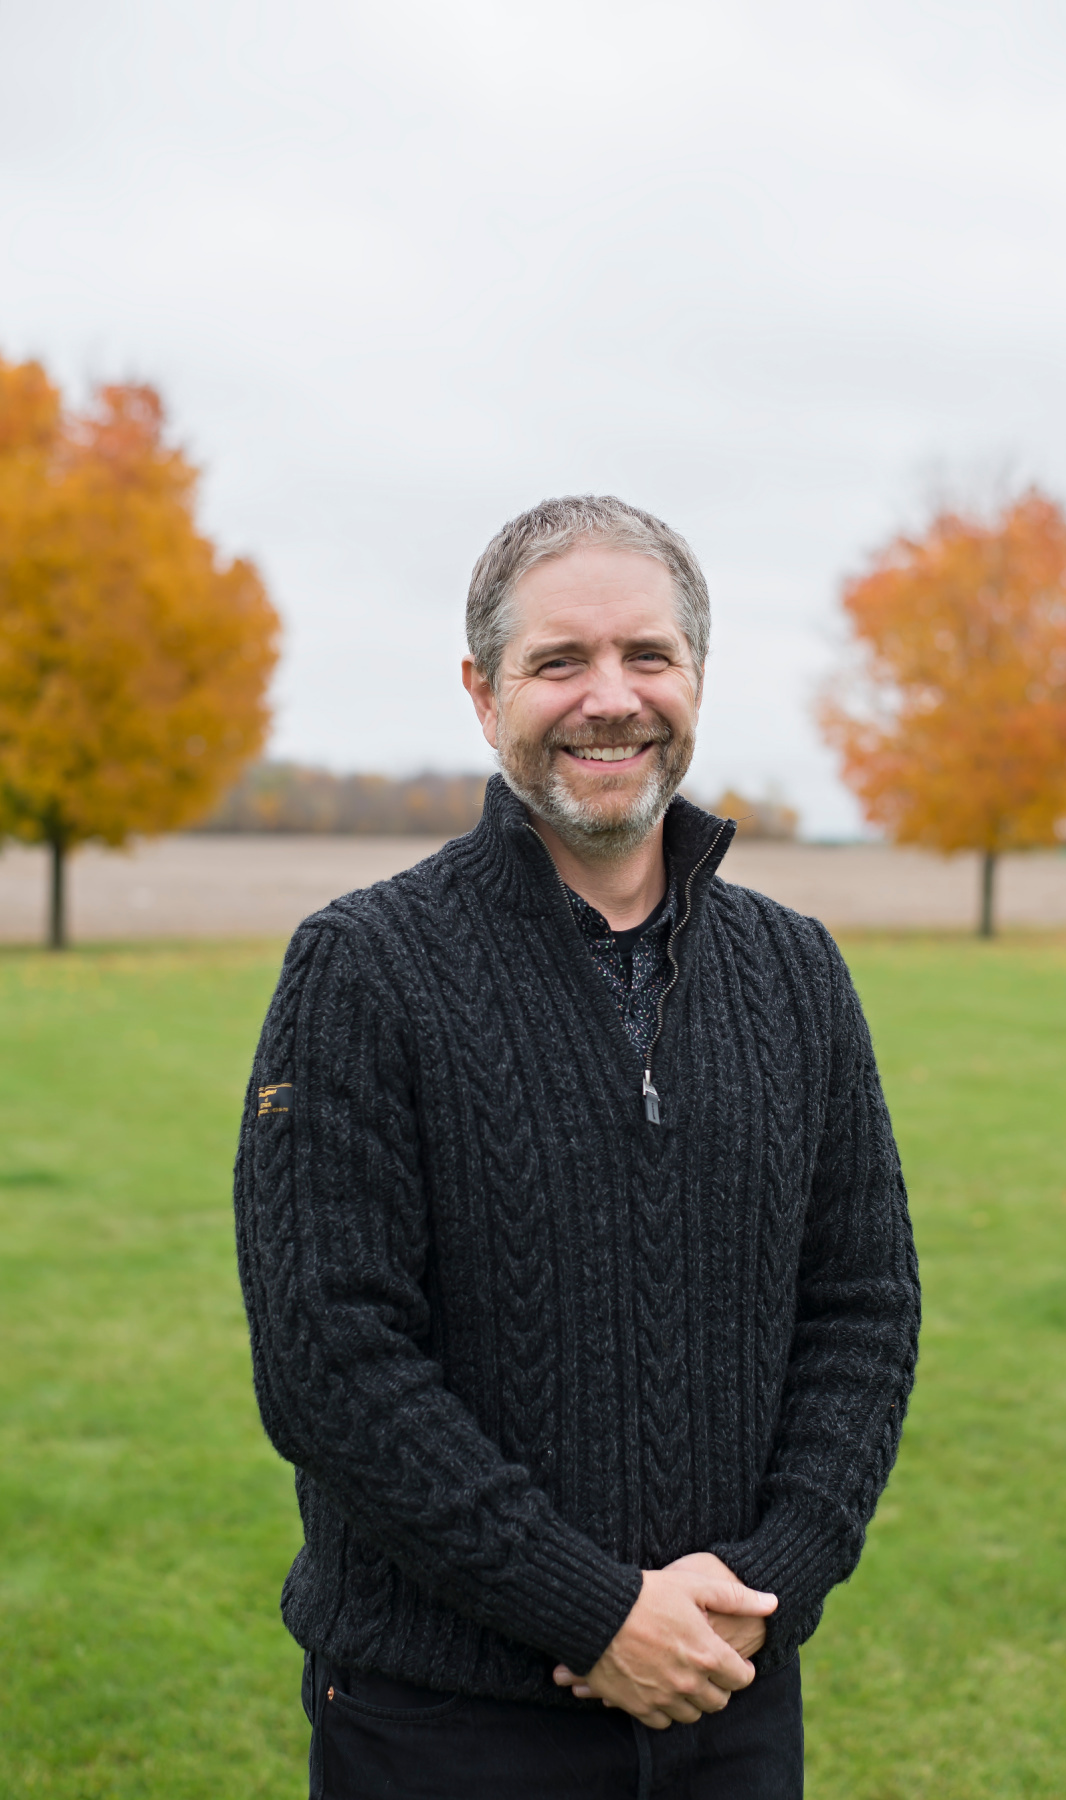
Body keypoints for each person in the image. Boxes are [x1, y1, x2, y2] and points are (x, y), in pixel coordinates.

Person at [234, 495, 920, 1799]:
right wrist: (592, 1612)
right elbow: (330, 1357)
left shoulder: (798, 971)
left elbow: (863, 1304)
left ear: (697, 679)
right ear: (483, 691)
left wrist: (767, 1585)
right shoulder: (366, 968)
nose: (611, 698)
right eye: (560, 661)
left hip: (733, 1695)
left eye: (647, 656)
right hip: (444, 1723)